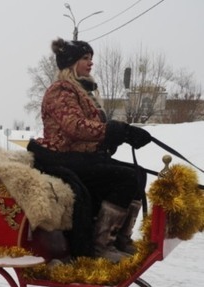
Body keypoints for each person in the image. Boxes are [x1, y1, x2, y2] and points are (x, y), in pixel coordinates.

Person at [27, 38, 152, 262]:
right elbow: (74, 127)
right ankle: (100, 245)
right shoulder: (60, 90)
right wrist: (113, 132)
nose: (90, 63)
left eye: (91, 58)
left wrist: (114, 138)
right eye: (85, 58)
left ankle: (120, 237)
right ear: (71, 62)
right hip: (61, 156)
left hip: (80, 155)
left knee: (139, 174)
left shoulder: (84, 91)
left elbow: (91, 132)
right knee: (126, 178)